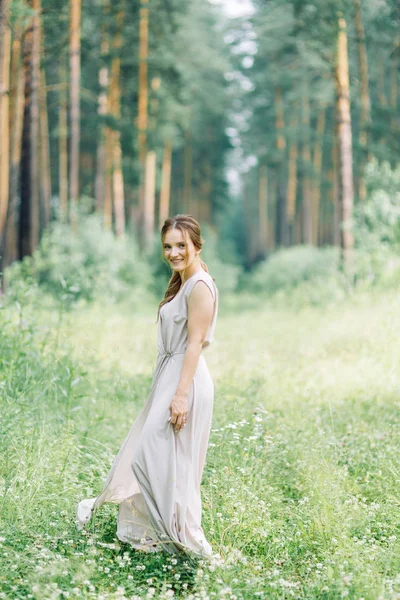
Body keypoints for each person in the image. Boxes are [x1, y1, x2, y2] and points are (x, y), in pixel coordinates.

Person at [76, 214, 219, 558]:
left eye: (181, 245)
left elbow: (195, 344)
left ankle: (182, 536)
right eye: (168, 246)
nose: (174, 252)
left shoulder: (199, 285)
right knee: (158, 456)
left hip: (186, 380)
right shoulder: (182, 281)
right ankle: (155, 533)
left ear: (197, 246)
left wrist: (180, 395)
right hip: (171, 375)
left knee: (154, 456)